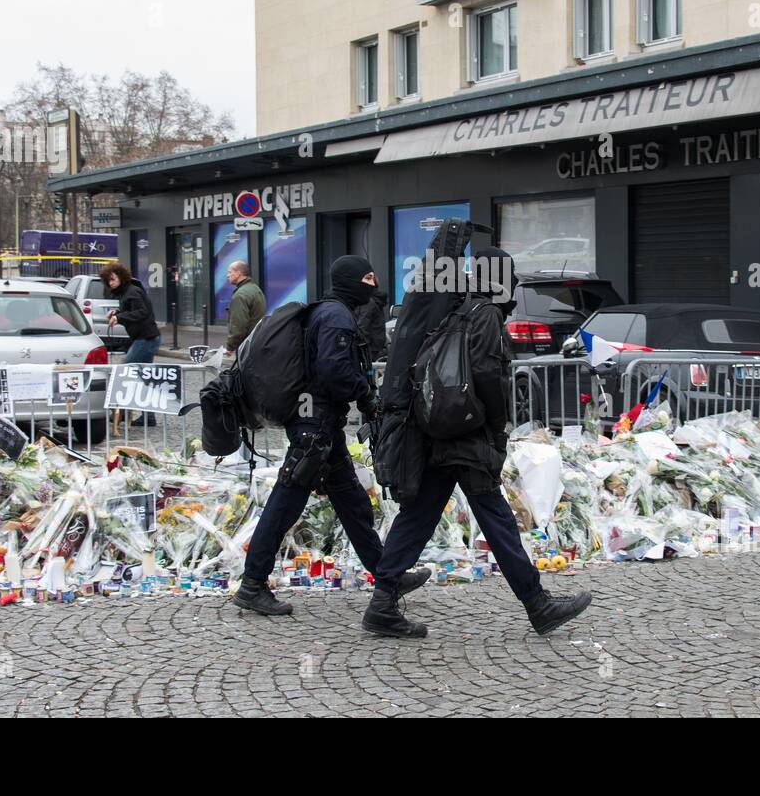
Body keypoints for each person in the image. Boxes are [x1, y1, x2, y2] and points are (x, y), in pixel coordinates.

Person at [363, 247, 592, 638]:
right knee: (496, 518)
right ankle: (538, 605)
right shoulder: (483, 313)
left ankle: (383, 602)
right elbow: (488, 374)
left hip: (436, 431)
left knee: (417, 516)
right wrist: (497, 426)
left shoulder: (453, 308)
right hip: (467, 436)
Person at [233, 255, 430, 616]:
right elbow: (335, 371)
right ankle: (252, 584)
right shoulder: (336, 316)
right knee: (287, 499)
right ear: (352, 281)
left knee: (352, 503)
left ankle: (387, 574)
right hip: (314, 426)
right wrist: (366, 395)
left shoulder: (330, 312)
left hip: (320, 424)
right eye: (368, 278)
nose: (374, 285)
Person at [100, 262, 162, 427]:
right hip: (146, 337)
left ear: (121, 276)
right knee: (144, 377)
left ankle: (120, 413)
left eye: (112, 279)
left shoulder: (132, 291)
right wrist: (117, 313)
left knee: (124, 371)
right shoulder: (127, 292)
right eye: (108, 281)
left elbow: (142, 312)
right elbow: (134, 311)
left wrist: (120, 317)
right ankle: (147, 416)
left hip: (145, 338)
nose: (111, 283)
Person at [224, 260, 266, 355]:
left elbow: (238, 325)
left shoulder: (240, 295)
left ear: (238, 273)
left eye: (230, 272)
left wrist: (230, 347)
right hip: (257, 340)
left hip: (246, 345)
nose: (227, 275)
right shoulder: (255, 288)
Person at [352, 276, 389, 363]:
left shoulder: (367, 302)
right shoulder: (373, 300)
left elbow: (362, 328)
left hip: (368, 350)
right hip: (373, 349)